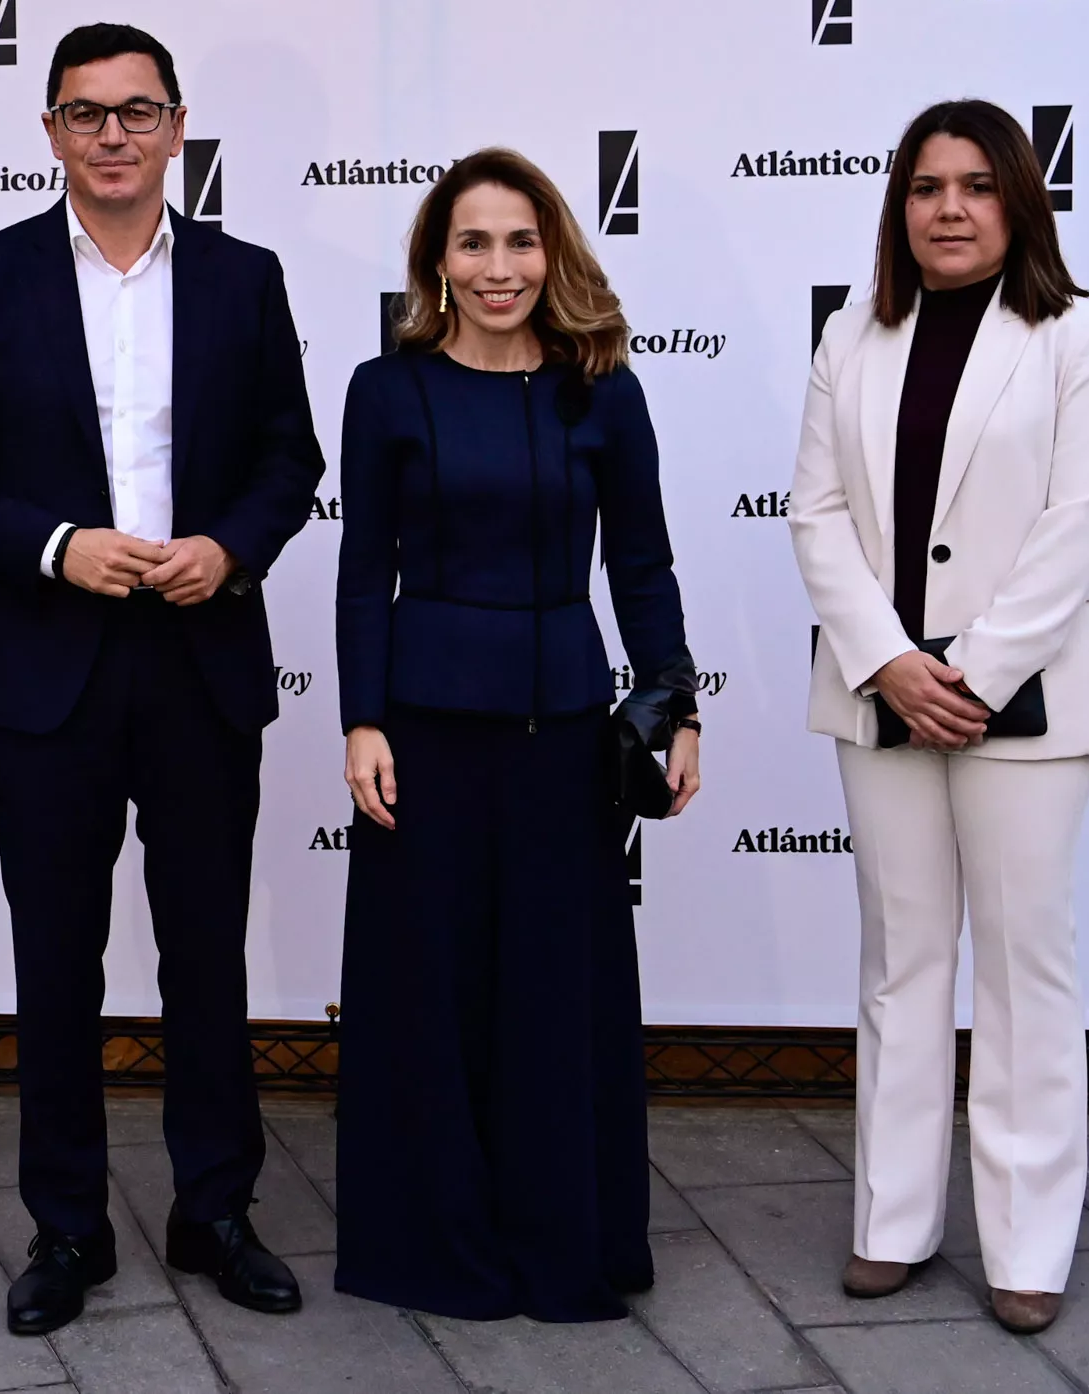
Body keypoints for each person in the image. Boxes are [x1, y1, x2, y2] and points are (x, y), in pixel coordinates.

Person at [0, 23, 325, 1335]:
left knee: (206, 953)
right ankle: (67, 1226)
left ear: (178, 126)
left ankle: (215, 1209)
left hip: (201, 655)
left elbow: (289, 458)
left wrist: (230, 548)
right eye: (87, 114)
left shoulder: (247, 277)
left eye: (138, 111)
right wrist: (57, 546)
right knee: (55, 960)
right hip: (49, 662)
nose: (114, 135)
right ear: (50, 133)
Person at [331, 147, 701, 1322]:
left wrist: (673, 699)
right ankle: (434, 1239)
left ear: (556, 253)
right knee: (427, 994)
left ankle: (560, 1236)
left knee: (554, 989)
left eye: (521, 241)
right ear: (437, 260)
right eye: (474, 243)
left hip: (561, 737)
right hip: (425, 737)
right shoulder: (386, 389)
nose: (499, 268)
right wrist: (361, 720)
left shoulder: (606, 390)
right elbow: (358, 572)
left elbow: (641, 563)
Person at [788, 98, 1089, 1335]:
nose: (948, 207)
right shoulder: (852, 334)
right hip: (882, 695)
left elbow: (1077, 518)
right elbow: (815, 515)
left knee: (1024, 965)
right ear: (899, 206)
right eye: (926, 186)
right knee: (900, 960)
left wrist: (968, 671)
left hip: (1025, 704)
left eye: (976, 185)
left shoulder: (1075, 336)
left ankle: (1029, 1241)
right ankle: (892, 1219)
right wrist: (889, 662)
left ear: (1017, 202)